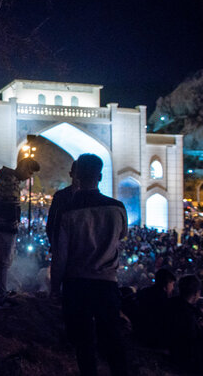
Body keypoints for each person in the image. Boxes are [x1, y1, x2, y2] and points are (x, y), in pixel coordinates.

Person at [51, 153, 128, 376]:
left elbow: (60, 255)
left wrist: (55, 288)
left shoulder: (66, 211)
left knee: (83, 344)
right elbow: (121, 235)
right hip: (106, 283)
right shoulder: (117, 208)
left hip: (76, 285)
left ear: (76, 176)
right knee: (113, 340)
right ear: (101, 176)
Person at [0, 158, 39, 308]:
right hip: (5, 228)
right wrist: (14, 224)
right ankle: (1, 297)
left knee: (4, 262)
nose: (29, 176)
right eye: (29, 172)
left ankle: (2, 291)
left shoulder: (8, 178)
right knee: (4, 262)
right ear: (23, 167)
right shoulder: (11, 181)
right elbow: (11, 207)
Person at [166, 275, 203, 374]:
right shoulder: (188, 314)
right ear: (196, 293)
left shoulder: (169, 303)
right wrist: (200, 327)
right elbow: (191, 341)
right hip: (180, 359)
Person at [133, 268, 176, 347]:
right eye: (172, 284)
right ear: (167, 283)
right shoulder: (164, 300)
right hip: (154, 341)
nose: (173, 288)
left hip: (138, 336)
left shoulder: (144, 292)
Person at [46, 160, 78, 254]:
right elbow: (52, 224)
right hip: (63, 250)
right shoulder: (61, 196)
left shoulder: (90, 198)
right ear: (71, 174)